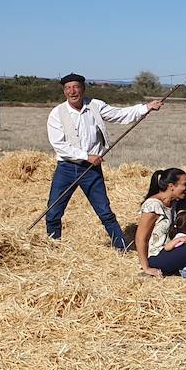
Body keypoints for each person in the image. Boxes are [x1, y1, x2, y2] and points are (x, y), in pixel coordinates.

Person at [44, 74, 164, 250]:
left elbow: (120, 115)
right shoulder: (57, 113)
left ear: (83, 88)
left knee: (105, 211)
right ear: (64, 91)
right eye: (68, 88)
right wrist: (87, 156)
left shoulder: (95, 106)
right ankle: (53, 247)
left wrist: (146, 107)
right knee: (53, 211)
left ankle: (121, 247)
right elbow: (59, 145)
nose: (72, 91)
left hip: (91, 170)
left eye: (76, 87)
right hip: (67, 168)